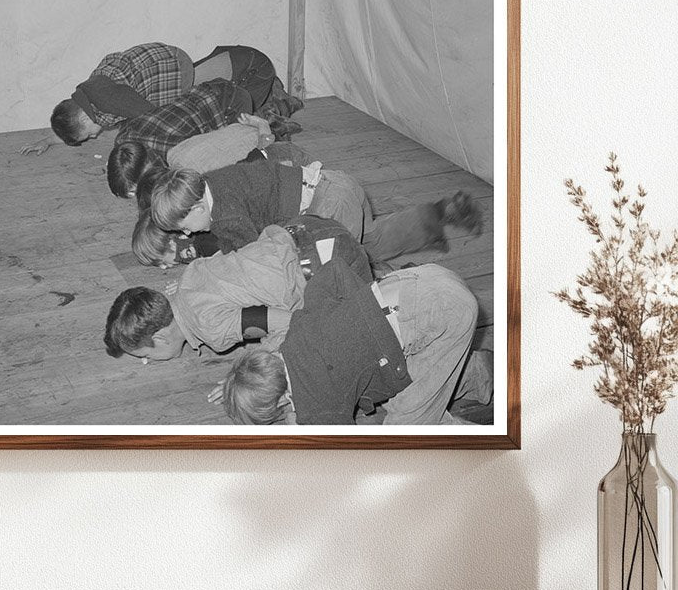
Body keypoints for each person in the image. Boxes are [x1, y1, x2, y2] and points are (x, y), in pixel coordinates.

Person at [219, 247, 493, 426]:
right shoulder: (296, 333)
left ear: (281, 402)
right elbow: (334, 269)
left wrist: (300, 419)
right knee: (404, 394)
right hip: (420, 278)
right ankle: (482, 374)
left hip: (444, 313)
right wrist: (365, 311)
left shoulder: (317, 405)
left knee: (407, 430)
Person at [106, 220, 368, 359]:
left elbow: (290, 322)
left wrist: (251, 367)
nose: (149, 360)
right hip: (305, 228)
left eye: (146, 355)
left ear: (161, 338)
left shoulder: (210, 328)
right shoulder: (188, 276)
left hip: (329, 264)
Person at [149, 159, 482, 262]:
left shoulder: (226, 214)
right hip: (337, 184)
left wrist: (205, 268)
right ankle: (442, 213)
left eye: (185, 224)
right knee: (372, 245)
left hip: (330, 205)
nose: (188, 233)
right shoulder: (211, 182)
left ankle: (400, 290)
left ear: (196, 203)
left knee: (336, 273)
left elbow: (254, 258)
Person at [106, 78, 256, 197]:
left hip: (229, 104)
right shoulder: (122, 141)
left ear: (145, 169)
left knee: (240, 163)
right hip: (207, 90)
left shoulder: (175, 156)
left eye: (134, 192)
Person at [49, 42, 194, 146]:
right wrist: (49, 141)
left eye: (88, 135)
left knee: (165, 121)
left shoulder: (109, 99)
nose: (93, 136)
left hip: (176, 67)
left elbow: (154, 119)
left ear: (84, 118)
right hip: (159, 55)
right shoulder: (88, 94)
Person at [191, 45, 303, 137]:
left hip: (255, 68)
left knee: (243, 125)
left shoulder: (187, 89)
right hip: (245, 61)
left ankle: (280, 115)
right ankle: (282, 100)